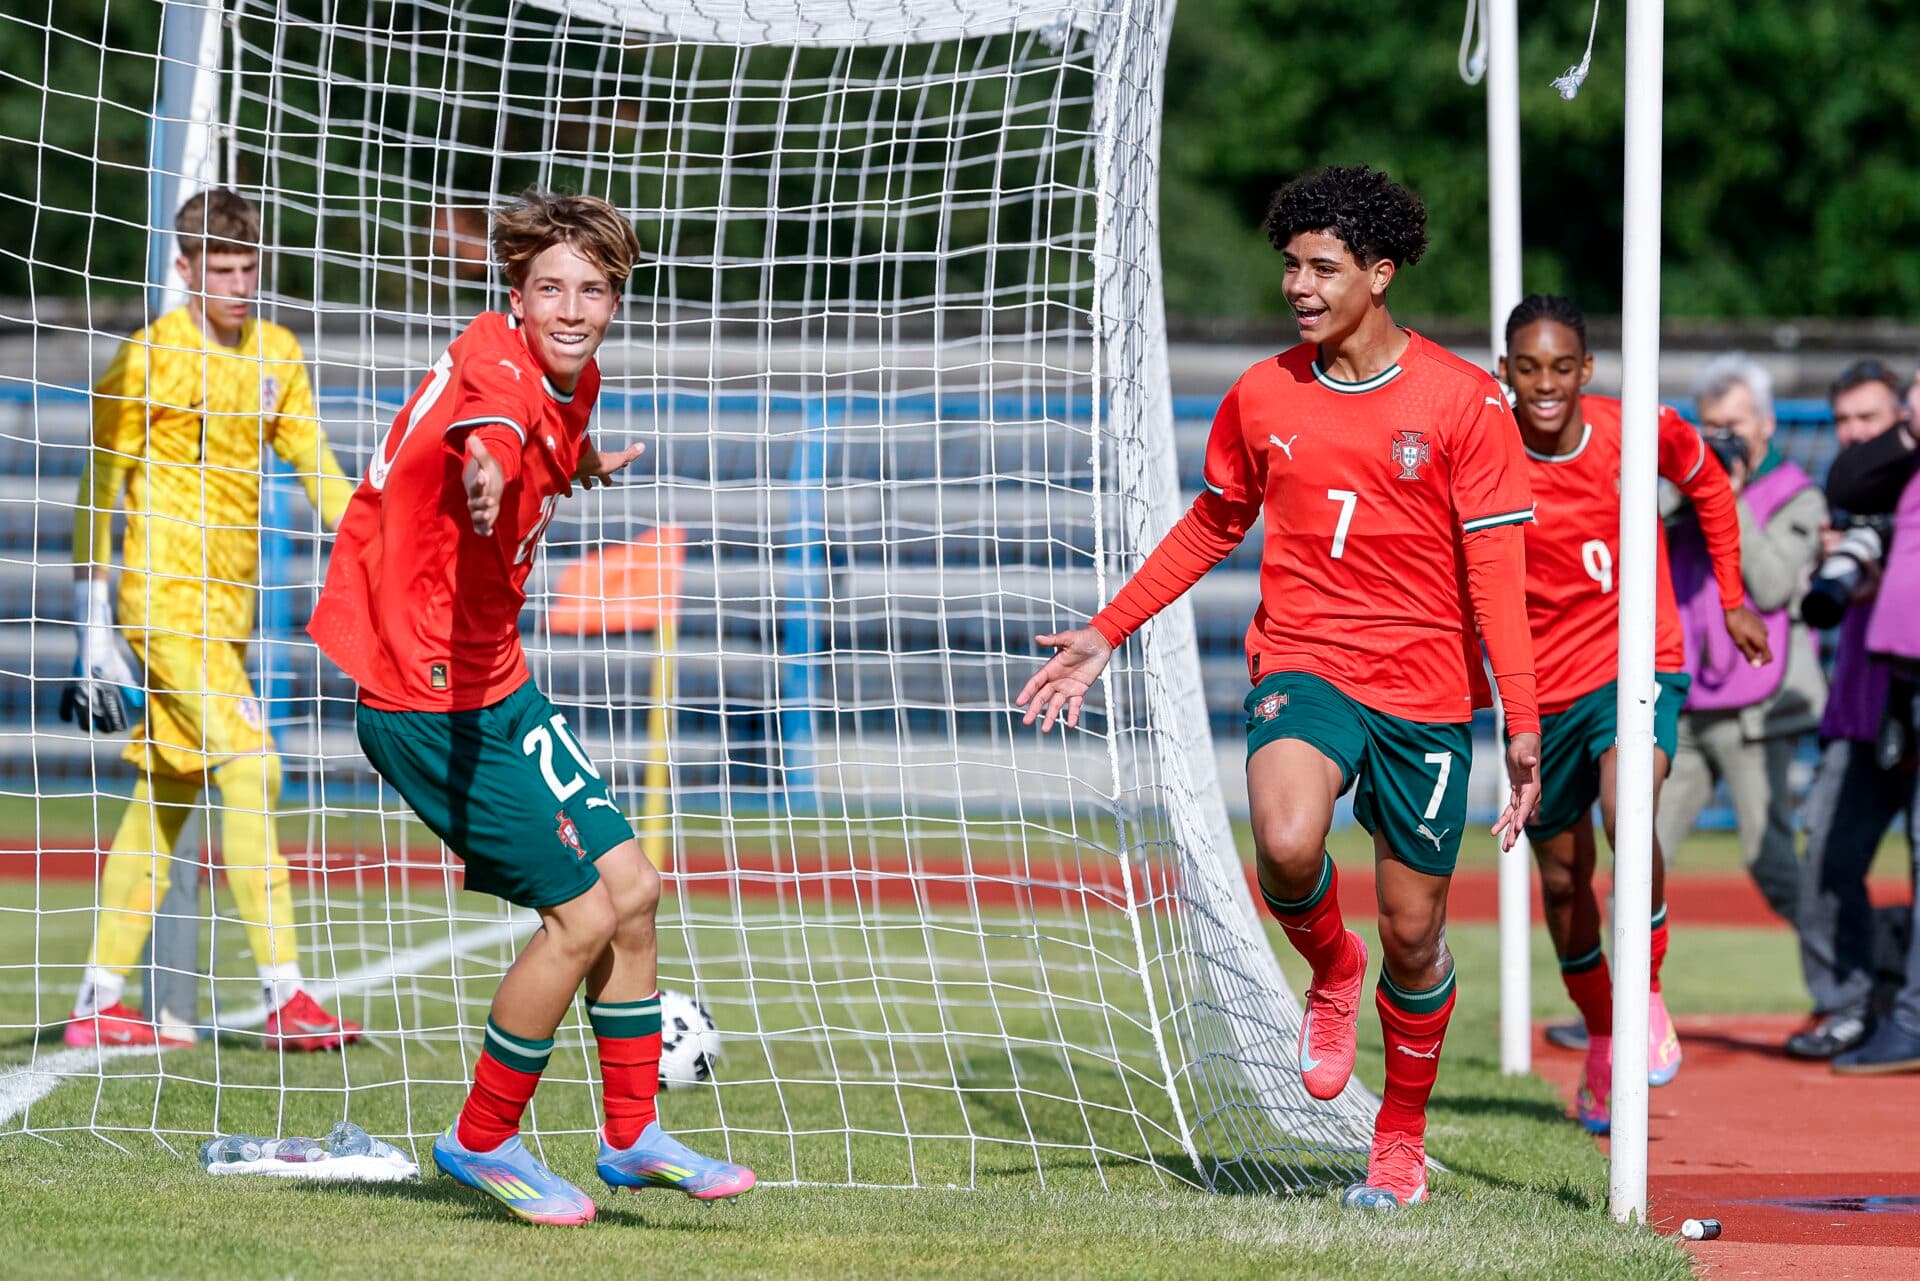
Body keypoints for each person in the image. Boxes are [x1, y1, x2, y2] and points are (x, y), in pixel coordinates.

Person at [1017, 166, 1541, 1212]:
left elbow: (1496, 575)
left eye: (1322, 267)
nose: (1298, 286)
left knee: (1416, 932)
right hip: (1304, 658)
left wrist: (1521, 726)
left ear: (1380, 275)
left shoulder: (1464, 402)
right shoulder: (1262, 395)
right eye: (1289, 266)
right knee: (1291, 842)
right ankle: (1329, 969)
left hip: (1428, 688)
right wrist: (1109, 632)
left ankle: (1397, 1136)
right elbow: (1216, 521)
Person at [308, 190, 754, 1224]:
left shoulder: (573, 376)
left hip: (496, 680)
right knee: (582, 913)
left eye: (592, 290)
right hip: (424, 702)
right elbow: (492, 430)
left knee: (634, 888)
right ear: (516, 292)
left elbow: (537, 438)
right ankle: (482, 1140)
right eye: (549, 286)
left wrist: (575, 463)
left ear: (613, 300)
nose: (570, 307)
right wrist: (489, 468)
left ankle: (633, 1133)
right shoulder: (499, 365)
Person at [60, 188, 362, 1052]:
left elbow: (321, 472)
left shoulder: (276, 354)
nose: (236, 284)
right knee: (255, 767)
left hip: (228, 617)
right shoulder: (148, 357)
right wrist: (92, 630)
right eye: (219, 269)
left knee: (165, 796)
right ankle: (287, 995)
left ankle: (99, 1001)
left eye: (248, 268)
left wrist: (386, 540)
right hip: (157, 603)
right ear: (185, 269)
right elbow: (98, 484)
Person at [1498, 297, 1768, 1134]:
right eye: (1528, 367)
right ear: (1506, 372)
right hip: (1542, 690)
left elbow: (1711, 487)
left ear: (1586, 370)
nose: (1546, 384)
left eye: (1562, 366)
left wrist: (1731, 599)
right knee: (1563, 879)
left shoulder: (1634, 428)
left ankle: (1646, 990)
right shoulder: (1484, 449)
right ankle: (1606, 1033)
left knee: (1629, 807)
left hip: (1637, 661)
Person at [1655, 355, 1827, 926]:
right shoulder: (1683, 487)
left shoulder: (1796, 493)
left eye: (1735, 425)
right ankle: (1614, 1009)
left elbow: (1774, 585)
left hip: (1757, 706)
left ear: (1768, 424)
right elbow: (1631, 524)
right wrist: (1692, 485)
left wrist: (1727, 499)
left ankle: (1855, 990)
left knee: (1773, 863)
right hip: (1683, 701)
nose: (1723, 439)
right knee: (1639, 856)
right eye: (1711, 427)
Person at [1788, 360, 1920, 1071]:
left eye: (1869, 419)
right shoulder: (1848, 492)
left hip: (1910, 693)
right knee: (1829, 859)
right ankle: (1847, 1003)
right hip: (1861, 705)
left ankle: (1905, 1007)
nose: (1853, 435)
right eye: (1842, 422)